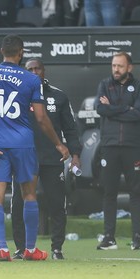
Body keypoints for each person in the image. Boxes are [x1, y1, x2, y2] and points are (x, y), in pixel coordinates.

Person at [0, 34, 70, 261]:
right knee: (29, 195)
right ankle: (29, 248)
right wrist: (58, 143)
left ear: (1, 51)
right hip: (23, 144)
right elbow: (41, 117)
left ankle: (2, 248)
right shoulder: (31, 79)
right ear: (21, 53)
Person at [11, 58, 82, 260]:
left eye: (37, 68)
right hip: (25, 157)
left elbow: (70, 128)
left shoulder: (58, 96)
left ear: (44, 70)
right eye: (30, 69)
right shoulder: (16, 97)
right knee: (19, 202)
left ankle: (57, 248)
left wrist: (75, 154)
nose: (34, 72)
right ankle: (21, 247)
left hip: (53, 158)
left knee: (57, 203)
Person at [94, 51, 140, 250]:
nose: (116, 69)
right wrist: (126, 109)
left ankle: (137, 238)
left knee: (136, 193)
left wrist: (113, 107)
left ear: (129, 67)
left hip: (133, 146)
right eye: (114, 65)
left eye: (120, 66)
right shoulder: (104, 84)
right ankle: (109, 238)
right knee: (109, 193)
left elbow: (138, 114)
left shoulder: (137, 86)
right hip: (109, 146)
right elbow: (100, 108)